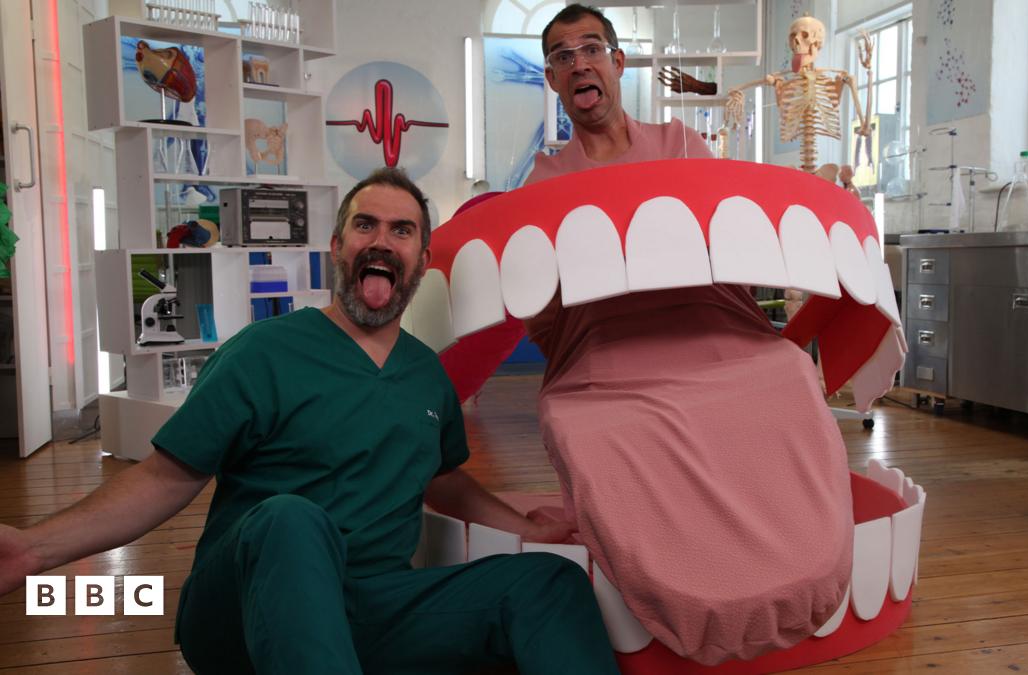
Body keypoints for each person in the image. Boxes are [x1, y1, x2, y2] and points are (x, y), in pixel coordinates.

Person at [0, 168, 620, 675]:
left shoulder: (426, 375)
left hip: (371, 607)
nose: (382, 240)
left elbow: (442, 477)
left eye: (402, 230)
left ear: (422, 260)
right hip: (245, 605)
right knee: (291, 519)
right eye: (365, 225)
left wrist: (526, 527)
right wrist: (32, 550)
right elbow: (164, 477)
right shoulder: (262, 352)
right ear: (337, 248)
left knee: (547, 583)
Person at [513, 4, 855, 666]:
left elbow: (727, 241)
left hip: (711, 327)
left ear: (617, 62)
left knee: (786, 371)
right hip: (609, 349)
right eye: (562, 56)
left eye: (591, 49)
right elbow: (541, 303)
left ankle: (788, 555)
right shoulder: (545, 181)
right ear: (553, 80)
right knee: (578, 416)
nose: (579, 63)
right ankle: (680, 576)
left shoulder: (680, 145)